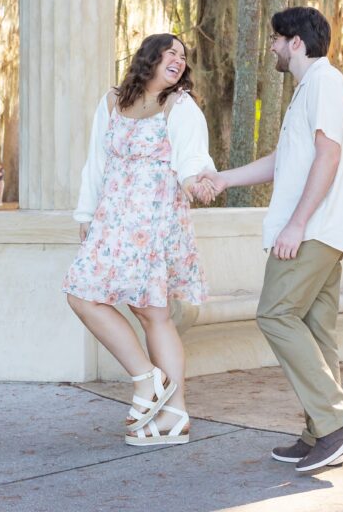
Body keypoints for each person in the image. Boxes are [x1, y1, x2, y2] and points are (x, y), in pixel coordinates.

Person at [198, 7, 343, 473]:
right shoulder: (309, 91)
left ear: (296, 42)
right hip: (319, 230)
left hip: (311, 231)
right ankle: (322, 434)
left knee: (273, 314)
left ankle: (336, 423)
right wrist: (223, 178)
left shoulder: (325, 83)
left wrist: (296, 223)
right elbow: (283, 161)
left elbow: (328, 157)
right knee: (315, 331)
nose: (270, 46)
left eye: (276, 38)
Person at [63, 32, 214, 448]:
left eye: (184, 56)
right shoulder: (113, 102)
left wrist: (196, 182)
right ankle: (147, 379)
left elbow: (191, 159)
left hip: (155, 220)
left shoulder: (179, 106)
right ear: (149, 56)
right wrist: (85, 213)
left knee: (153, 314)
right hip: (113, 219)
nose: (179, 60)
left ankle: (175, 415)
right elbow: (96, 162)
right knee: (81, 295)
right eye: (172, 52)